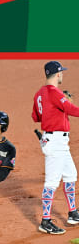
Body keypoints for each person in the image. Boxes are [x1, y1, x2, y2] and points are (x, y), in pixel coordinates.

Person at [32, 61, 79, 235]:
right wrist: (62, 107)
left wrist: (54, 112)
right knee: (51, 183)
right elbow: (70, 109)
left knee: (70, 175)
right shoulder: (53, 92)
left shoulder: (39, 94)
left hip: (57, 141)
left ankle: (73, 213)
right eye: (62, 73)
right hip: (55, 142)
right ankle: (45, 221)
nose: (62, 76)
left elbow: (35, 116)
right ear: (58, 74)